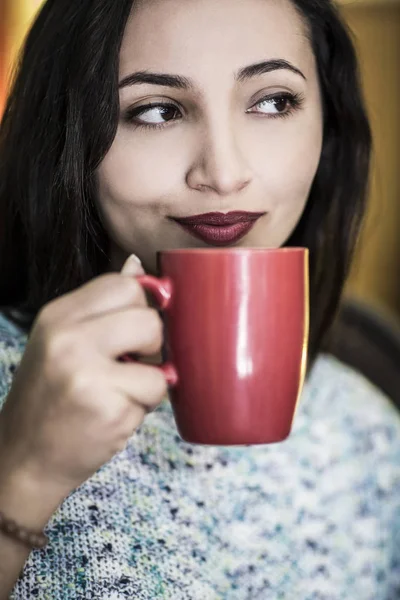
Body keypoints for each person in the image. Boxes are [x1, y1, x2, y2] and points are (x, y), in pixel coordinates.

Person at [0, 0, 399, 597]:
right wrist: (22, 473)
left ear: (329, 123)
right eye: (156, 110)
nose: (224, 172)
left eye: (273, 101)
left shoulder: (370, 434)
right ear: (67, 134)